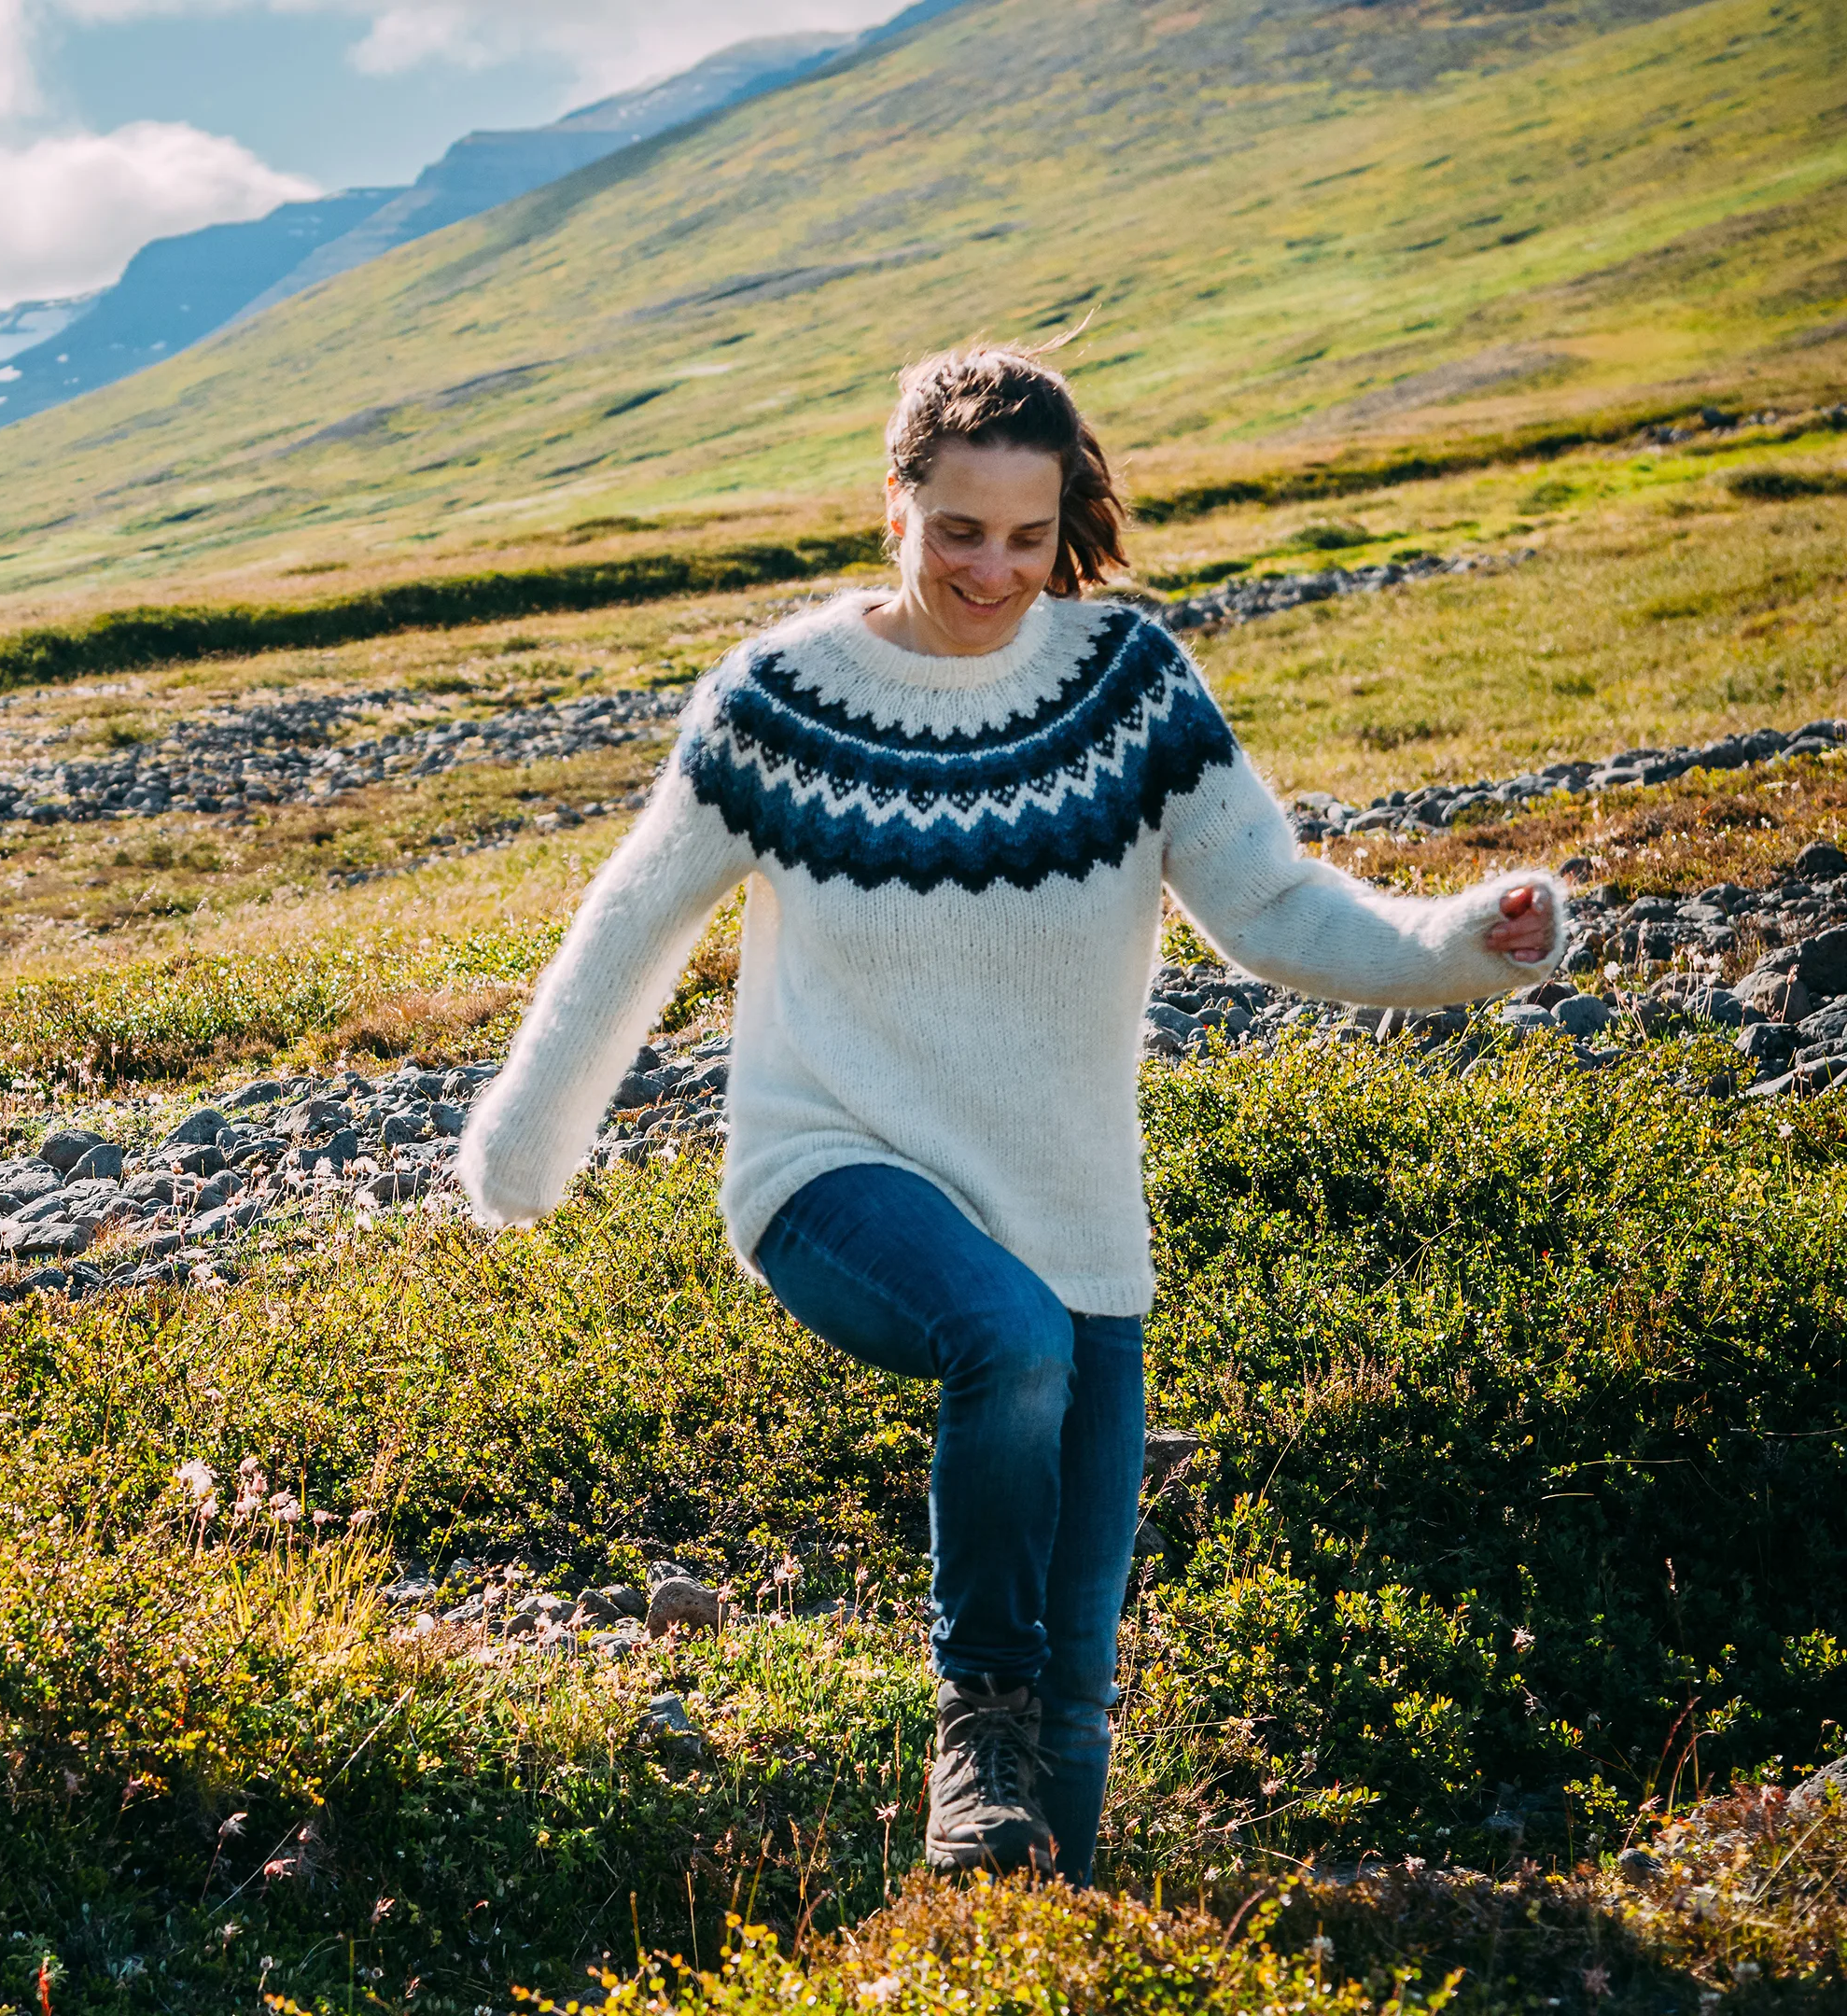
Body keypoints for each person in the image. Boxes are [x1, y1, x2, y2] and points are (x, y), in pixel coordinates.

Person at [454, 343, 1562, 1883]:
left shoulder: (1127, 685)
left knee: (1083, 1694)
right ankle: (965, 1710)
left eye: (1027, 537)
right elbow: (633, 916)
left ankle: (1029, 1932)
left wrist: (1455, 948)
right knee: (1008, 1345)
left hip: (1077, 1219)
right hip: (829, 1170)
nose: (994, 568)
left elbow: (1271, 905)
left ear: (1067, 526)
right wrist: (530, 1136)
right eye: (960, 529)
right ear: (893, 504)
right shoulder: (781, 701)